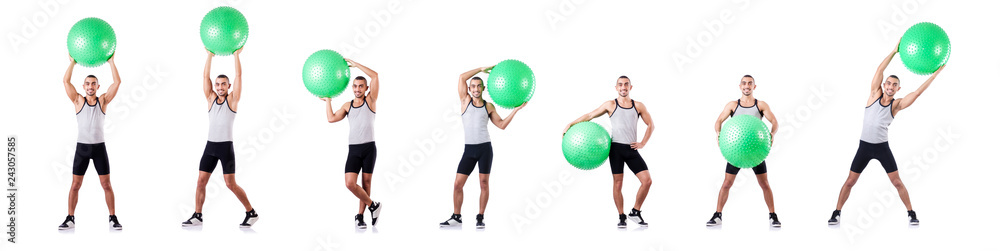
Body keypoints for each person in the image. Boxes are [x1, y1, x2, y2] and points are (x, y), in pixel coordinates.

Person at [828, 42, 946, 226]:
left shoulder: (896, 105)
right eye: (889, 83)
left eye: (895, 85)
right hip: (864, 147)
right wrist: (894, 51)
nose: (891, 86)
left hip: (882, 148)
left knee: (897, 182)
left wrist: (935, 74)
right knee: (850, 181)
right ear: (884, 84)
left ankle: (911, 213)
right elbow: (879, 69)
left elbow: (916, 94)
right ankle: (836, 212)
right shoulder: (874, 94)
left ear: (898, 89)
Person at [439, 66, 526, 229]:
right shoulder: (465, 101)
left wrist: (516, 110)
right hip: (469, 150)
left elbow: (501, 125)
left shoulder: (489, 106)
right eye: (473, 86)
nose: (476, 89)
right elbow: (461, 77)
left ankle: (480, 216)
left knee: (484, 183)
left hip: (485, 149)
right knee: (458, 184)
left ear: (483, 88)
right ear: (470, 89)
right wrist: (480, 69)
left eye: (479, 86)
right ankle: (456, 217)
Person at [182, 47, 259, 228]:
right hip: (210, 147)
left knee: (230, 184)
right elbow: (204, 78)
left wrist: (236, 56)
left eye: (223, 84)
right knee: (201, 181)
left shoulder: (232, 100)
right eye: (217, 84)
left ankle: (251, 212)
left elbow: (239, 76)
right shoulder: (210, 99)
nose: (219, 87)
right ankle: (198, 215)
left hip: (225, 148)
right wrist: (209, 55)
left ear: (228, 86)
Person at [564, 76, 654, 228]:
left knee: (647, 181)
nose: (623, 87)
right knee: (618, 184)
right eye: (620, 85)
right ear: (616, 87)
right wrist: (570, 124)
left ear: (630, 87)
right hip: (616, 149)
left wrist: (643, 143)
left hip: (631, 148)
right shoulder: (610, 104)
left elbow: (650, 124)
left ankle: (635, 212)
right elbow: (590, 115)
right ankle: (621, 216)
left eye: (626, 84)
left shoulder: (638, 106)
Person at [705, 75, 781, 227]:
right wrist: (718, 133)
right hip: (736, 152)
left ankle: (773, 216)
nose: (747, 86)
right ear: (740, 86)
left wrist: (772, 134)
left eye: (750, 83)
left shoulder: (760, 105)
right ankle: (718, 214)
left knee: (764, 184)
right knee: (726, 184)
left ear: (754, 87)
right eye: (744, 83)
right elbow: (718, 121)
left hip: (755, 151)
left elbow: (774, 121)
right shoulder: (733, 105)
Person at [58, 54, 124, 230]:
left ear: (97, 86)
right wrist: (72, 62)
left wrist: (111, 62)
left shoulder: (103, 101)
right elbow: (65, 82)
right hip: (82, 149)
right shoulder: (78, 100)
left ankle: (113, 218)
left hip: (99, 149)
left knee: (106, 184)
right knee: (75, 185)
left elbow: (117, 83)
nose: (90, 86)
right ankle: (70, 218)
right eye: (87, 84)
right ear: (84, 86)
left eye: (93, 84)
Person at [320, 58, 383, 229]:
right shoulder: (348, 105)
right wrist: (328, 101)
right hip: (354, 150)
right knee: (349, 183)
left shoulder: (370, 101)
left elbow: (375, 76)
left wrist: (356, 64)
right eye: (355, 86)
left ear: (366, 88)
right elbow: (331, 118)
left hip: (369, 147)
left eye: (361, 86)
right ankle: (373, 206)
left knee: (366, 184)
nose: (357, 89)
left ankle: (360, 216)